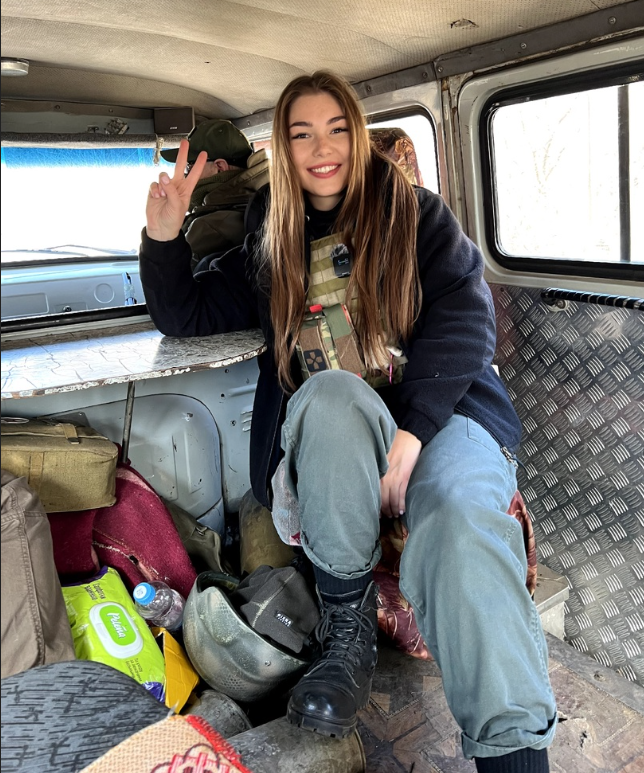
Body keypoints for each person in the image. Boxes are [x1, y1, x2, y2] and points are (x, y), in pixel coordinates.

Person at [140, 71, 557, 773]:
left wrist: (412, 434)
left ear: (358, 137)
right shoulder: (271, 234)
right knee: (331, 394)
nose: (322, 148)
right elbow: (187, 314)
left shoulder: (416, 214)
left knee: (460, 517)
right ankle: (347, 638)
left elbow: (467, 315)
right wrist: (163, 236)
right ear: (284, 148)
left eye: (336, 129)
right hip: (341, 429)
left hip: (442, 415)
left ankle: (513, 751)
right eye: (302, 134)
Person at [161, 118, 270, 268]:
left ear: (219, 167)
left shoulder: (207, 227)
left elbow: (167, 278)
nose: (185, 175)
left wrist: (162, 230)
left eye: (189, 167)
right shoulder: (266, 201)